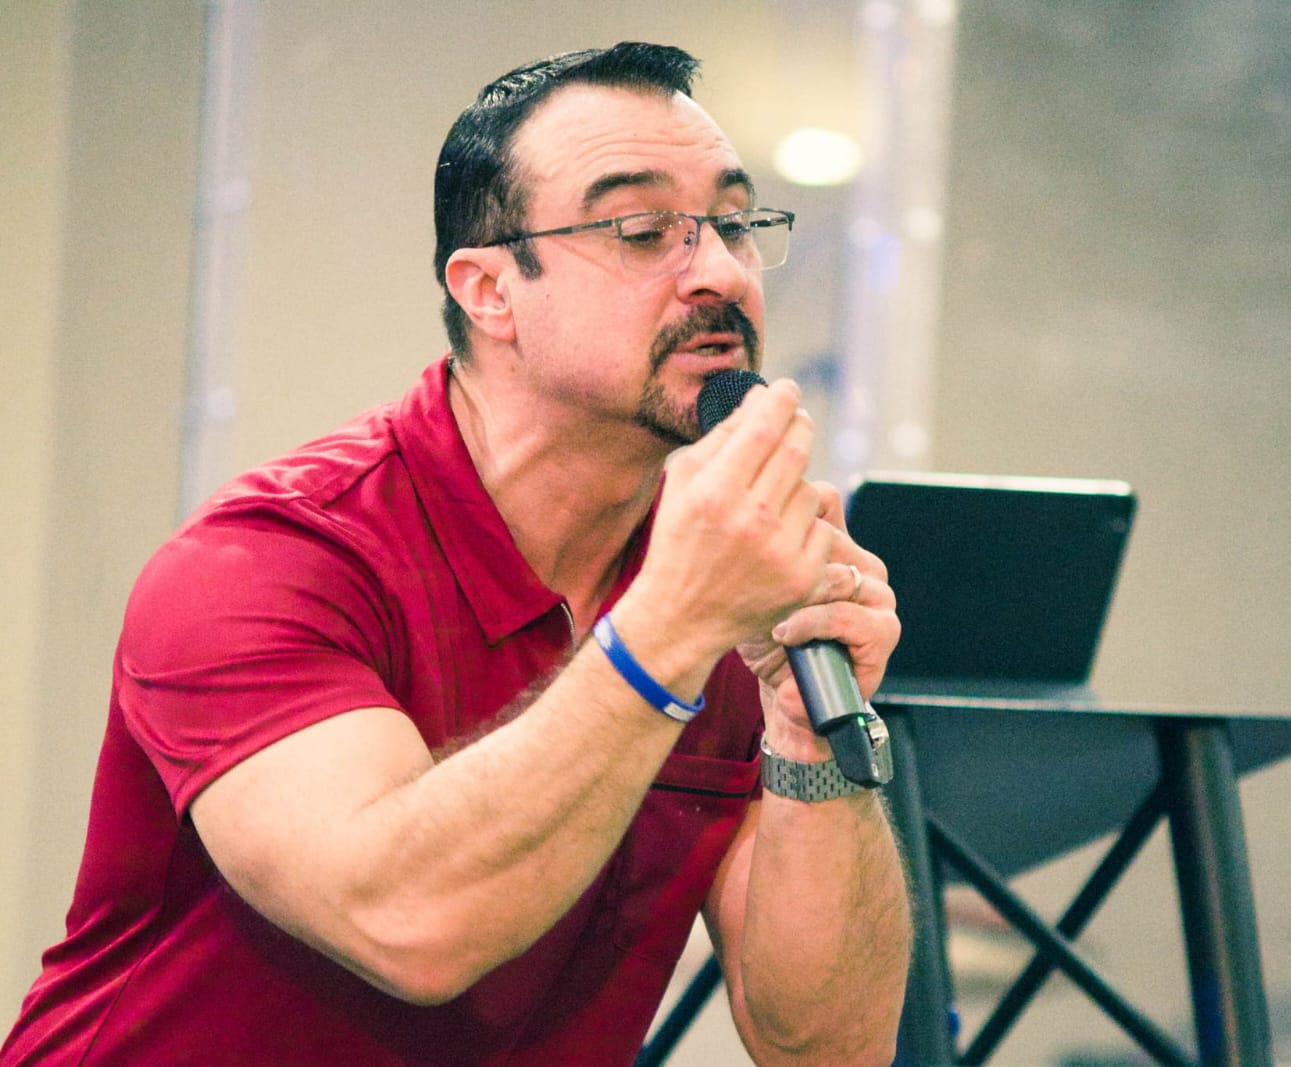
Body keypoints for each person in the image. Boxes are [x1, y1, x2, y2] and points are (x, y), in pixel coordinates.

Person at [3, 42, 911, 1066]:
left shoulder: (716, 578)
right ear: (488, 291)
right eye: (643, 230)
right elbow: (404, 922)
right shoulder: (263, 561)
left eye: (736, 224)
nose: (721, 272)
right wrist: (669, 627)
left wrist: (805, 730)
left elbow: (829, 1045)